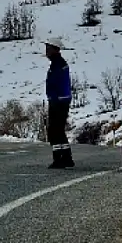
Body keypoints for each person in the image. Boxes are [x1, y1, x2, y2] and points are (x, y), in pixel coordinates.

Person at [43, 37, 75, 169]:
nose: (46, 51)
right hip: (59, 100)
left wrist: (55, 98)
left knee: (55, 130)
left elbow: (57, 84)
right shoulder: (57, 63)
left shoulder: (58, 64)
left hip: (59, 101)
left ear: (55, 49)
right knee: (58, 130)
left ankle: (59, 158)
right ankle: (66, 157)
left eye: (48, 48)